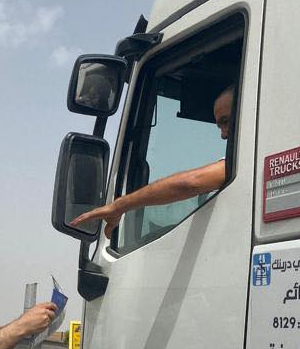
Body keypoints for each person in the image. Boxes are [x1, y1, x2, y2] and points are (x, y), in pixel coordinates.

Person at [71, 84, 235, 238]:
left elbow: (190, 183)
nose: (223, 135)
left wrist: (118, 206)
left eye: (225, 121)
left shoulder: (238, 166)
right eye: (219, 126)